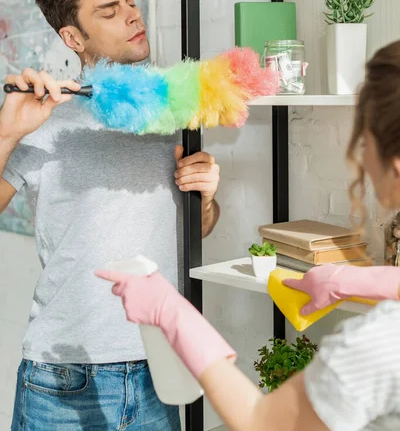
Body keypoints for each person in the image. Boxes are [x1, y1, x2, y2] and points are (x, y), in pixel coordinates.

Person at [98, 40, 400, 431]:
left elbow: (263, 423)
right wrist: (350, 278)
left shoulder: (378, 343)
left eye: (364, 142)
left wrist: (172, 314)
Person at [0, 0, 221, 431]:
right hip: (61, 376)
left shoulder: (175, 112)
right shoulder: (46, 115)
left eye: (130, 1)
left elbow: (196, 231)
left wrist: (205, 197)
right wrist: (7, 133)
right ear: (72, 36)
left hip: (157, 363)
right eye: (110, 10)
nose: (132, 16)